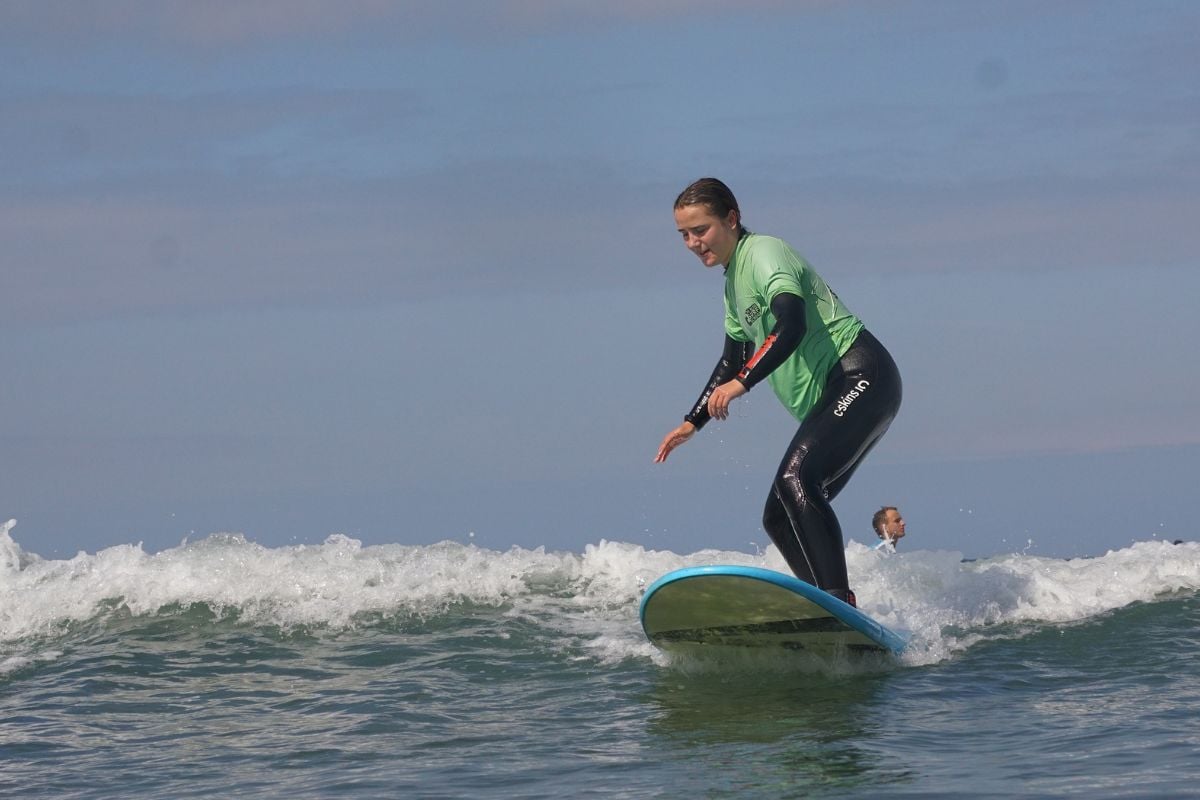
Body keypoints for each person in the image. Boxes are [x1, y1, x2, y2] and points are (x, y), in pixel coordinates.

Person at [654, 178, 902, 607]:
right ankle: (828, 606)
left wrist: (743, 382)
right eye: (684, 235)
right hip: (840, 391)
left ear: (731, 219)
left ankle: (837, 600)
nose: (693, 243)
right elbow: (732, 359)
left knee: (797, 480)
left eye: (701, 229)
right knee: (778, 515)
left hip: (860, 375)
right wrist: (693, 421)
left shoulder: (765, 254)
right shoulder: (732, 285)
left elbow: (792, 324)